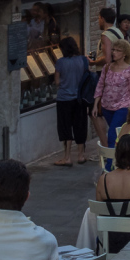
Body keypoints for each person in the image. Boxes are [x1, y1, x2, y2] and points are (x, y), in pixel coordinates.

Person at [92, 38, 130, 148]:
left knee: (112, 135)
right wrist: (95, 105)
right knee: (119, 134)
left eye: (118, 50)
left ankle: (110, 158)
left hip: (122, 107)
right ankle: (122, 153)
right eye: (113, 50)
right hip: (106, 106)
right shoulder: (107, 67)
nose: (114, 52)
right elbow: (100, 86)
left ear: (124, 54)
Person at [53, 36, 89, 166]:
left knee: (66, 127)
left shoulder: (60, 62)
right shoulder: (83, 60)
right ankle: (81, 155)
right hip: (80, 98)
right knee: (80, 125)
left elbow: (57, 82)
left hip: (64, 99)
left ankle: (67, 157)